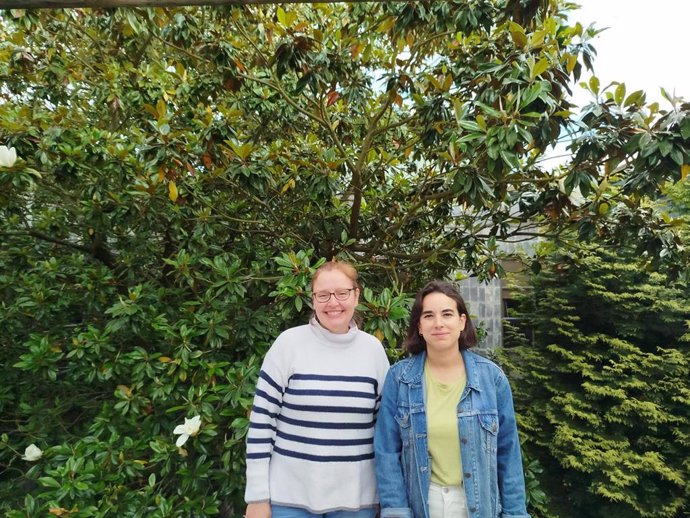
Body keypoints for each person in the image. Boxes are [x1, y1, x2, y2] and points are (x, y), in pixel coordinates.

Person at [245, 260, 390, 518]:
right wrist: (257, 497)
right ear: (312, 300)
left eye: (342, 293)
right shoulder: (288, 345)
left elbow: (383, 430)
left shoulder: (374, 351)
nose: (333, 302)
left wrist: (385, 497)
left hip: (357, 501)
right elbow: (261, 424)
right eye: (323, 295)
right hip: (290, 499)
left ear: (356, 295)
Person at [374, 281, 530, 518]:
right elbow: (386, 452)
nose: (438, 323)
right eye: (428, 315)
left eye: (447, 314)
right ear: (419, 326)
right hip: (423, 506)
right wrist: (396, 511)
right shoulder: (399, 379)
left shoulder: (492, 379)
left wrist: (515, 513)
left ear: (461, 322)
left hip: (477, 506)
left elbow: (508, 455)